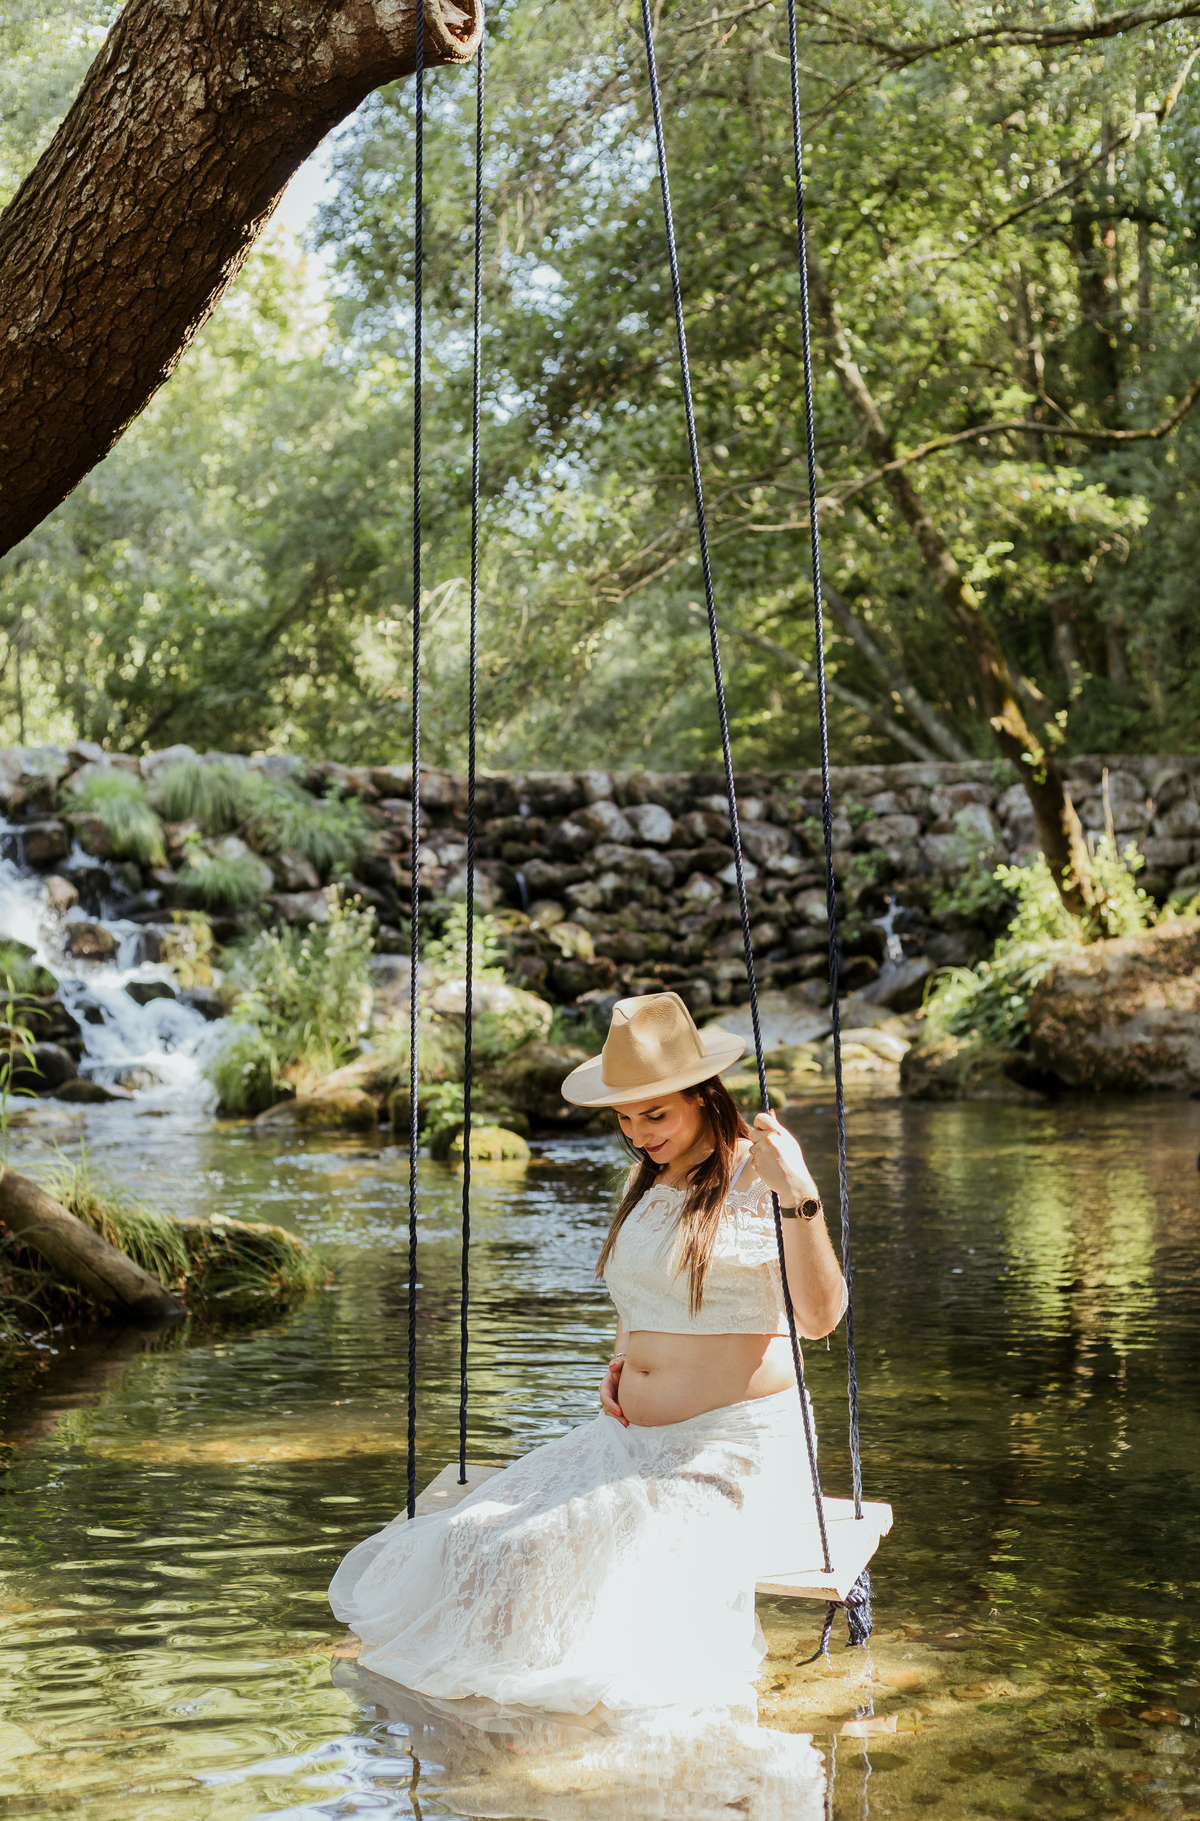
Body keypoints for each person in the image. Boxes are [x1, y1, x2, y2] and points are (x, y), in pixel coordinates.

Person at [328, 991, 847, 1718]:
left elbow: (820, 1318)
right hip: (629, 1439)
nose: (638, 1133)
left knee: (545, 1551)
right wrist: (625, 1357)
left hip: (731, 1449)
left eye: (655, 1113)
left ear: (702, 1093)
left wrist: (802, 1192)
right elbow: (639, 1292)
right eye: (625, 1117)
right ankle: (493, 1738)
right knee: (475, 1539)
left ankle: (536, 1743)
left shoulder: (758, 1175)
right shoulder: (648, 1175)